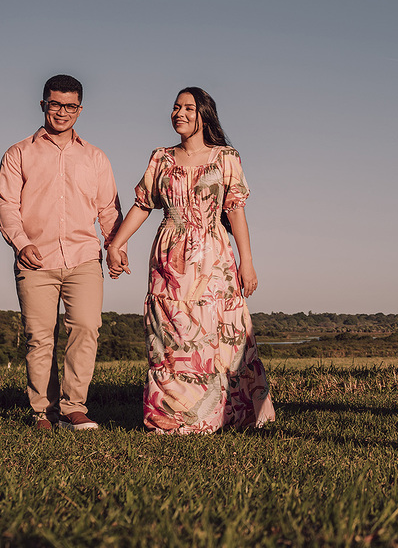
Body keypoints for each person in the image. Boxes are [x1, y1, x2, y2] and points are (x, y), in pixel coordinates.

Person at [107, 87, 275, 434]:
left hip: (214, 254)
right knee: (170, 335)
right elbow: (142, 204)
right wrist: (116, 243)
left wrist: (248, 262)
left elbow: (236, 211)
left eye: (188, 108)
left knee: (221, 333)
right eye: (175, 107)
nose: (178, 113)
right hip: (169, 253)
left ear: (204, 115)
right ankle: (174, 418)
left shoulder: (226, 157)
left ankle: (229, 414)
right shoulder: (161, 158)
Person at [0, 74, 123, 431]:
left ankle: (72, 408)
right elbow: (6, 206)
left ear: (79, 110)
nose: (62, 112)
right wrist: (22, 243)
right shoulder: (18, 153)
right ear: (43, 105)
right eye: (55, 104)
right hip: (35, 259)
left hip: (83, 257)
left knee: (86, 326)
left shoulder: (96, 158)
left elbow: (109, 210)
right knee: (39, 336)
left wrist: (115, 247)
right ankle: (42, 412)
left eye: (70, 106)